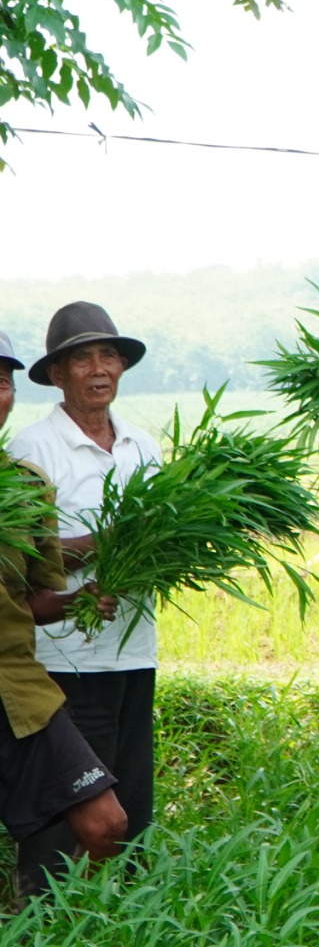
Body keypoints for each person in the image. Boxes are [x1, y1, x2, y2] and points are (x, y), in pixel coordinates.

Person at [8, 302, 161, 860]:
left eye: (109, 356)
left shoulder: (143, 446)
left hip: (135, 649)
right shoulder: (32, 450)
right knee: (75, 809)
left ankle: (124, 921)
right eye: (82, 359)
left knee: (132, 805)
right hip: (66, 657)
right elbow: (26, 558)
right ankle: (55, 922)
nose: (99, 369)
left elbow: (159, 539)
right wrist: (113, 540)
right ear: (56, 374)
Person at [0, 330, 128, 898]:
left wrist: (81, 600)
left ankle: (57, 937)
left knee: (107, 825)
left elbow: (32, 601)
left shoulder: (25, 488)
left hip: (18, 688)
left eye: (1, 381)